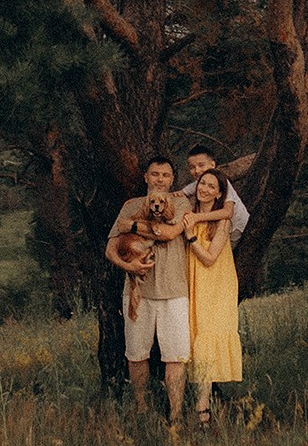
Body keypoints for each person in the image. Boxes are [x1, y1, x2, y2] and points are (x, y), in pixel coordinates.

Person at [105, 156, 192, 422]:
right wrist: (127, 266)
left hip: (175, 290)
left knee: (175, 356)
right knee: (136, 354)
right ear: (145, 177)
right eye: (155, 174)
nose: (160, 180)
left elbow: (168, 233)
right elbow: (110, 248)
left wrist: (132, 226)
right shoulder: (130, 205)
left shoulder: (180, 203)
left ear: (172, 179)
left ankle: (175, 416)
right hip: (137, 292)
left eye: (166, 175)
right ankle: (141, 409)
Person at [183, 169, 243, 427]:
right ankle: (187, 405)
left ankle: (202, 411)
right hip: (191, 283)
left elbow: (210, 258)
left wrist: (191, 237)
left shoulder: (222, 222)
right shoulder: (187, 213)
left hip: (216, 286)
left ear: (219, 193)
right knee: (191, 338)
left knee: (206, 339)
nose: (204, 188)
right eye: (202, 183)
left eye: (211, 186)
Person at [180, 146, 248, 240]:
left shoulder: (222, 182)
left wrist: (197, 217)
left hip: (236, 229)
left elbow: (228, 212)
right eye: (192, 167)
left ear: (212, 165)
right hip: (218, 228)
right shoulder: (198, 183)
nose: (197, 171)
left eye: (201, 165)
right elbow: (179, 193)